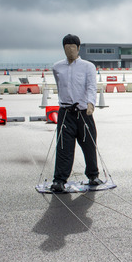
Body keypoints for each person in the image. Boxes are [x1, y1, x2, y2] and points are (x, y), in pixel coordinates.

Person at [50, 34, 102, 192]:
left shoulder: (88, 67)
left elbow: (92, 86)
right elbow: (60, 87)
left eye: (73, 47)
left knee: (89, 144)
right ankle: (59, 179)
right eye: (67, 48)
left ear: (79, 48)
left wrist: (91, 103)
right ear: (63, 49)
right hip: (66, 112)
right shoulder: (57, 67)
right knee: (64, 147)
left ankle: (93, 175)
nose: (70, 51)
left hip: (83, 112)